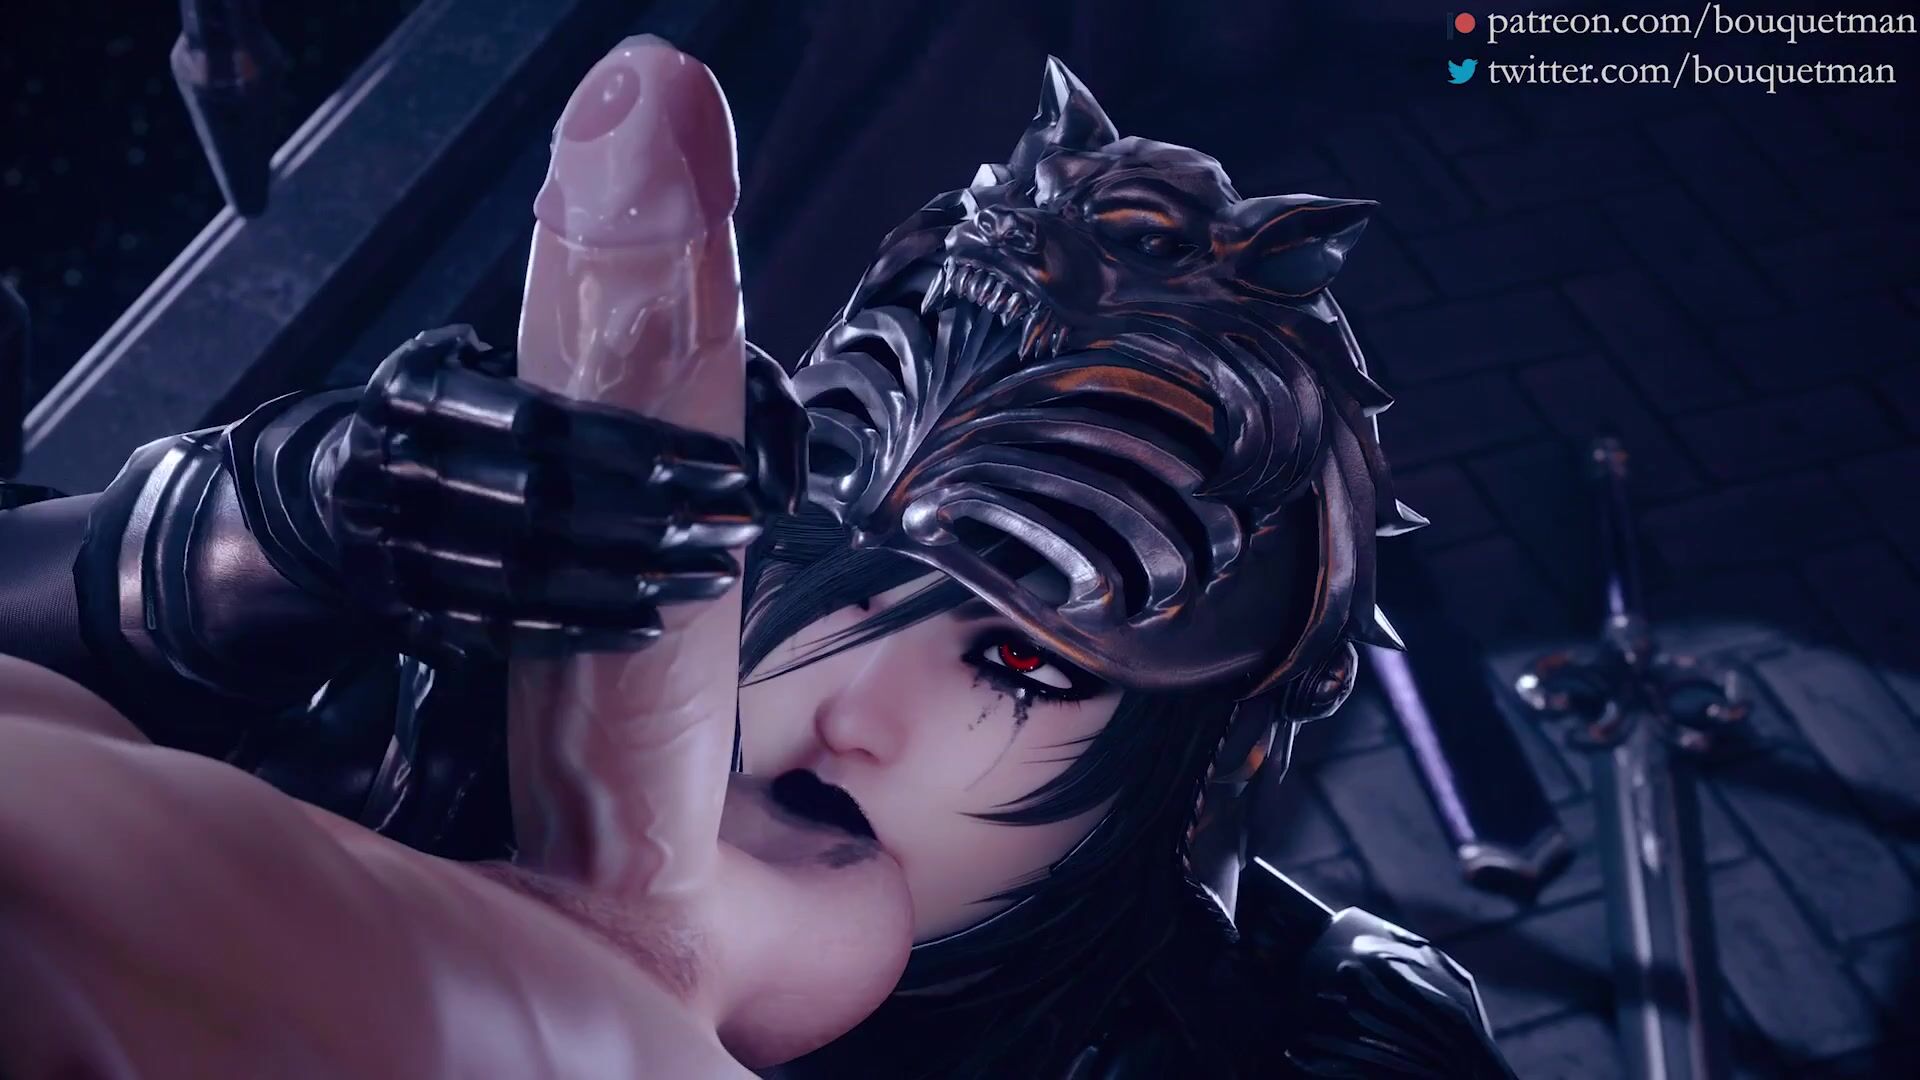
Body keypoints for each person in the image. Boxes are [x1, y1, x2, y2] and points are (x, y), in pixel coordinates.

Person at [0, 37, 1514, 1079]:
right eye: (833, 563)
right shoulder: (460, 729)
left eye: (1019, 659)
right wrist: (275, 528)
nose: (848, 708)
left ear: (1209, 755)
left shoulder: (1289, 1045)